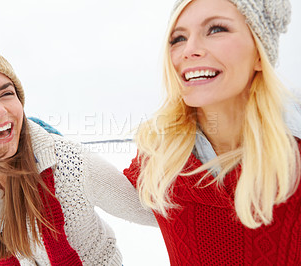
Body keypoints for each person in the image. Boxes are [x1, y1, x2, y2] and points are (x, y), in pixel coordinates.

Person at [0, 39, 156, 265]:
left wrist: (165, 155)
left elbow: (154, 212)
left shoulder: (69, 163)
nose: (0, 110)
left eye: (6, 93)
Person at [123, 0, 301, 265]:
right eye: (178, 38)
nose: (189, 50)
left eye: (216, 29)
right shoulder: (158, 154)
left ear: (259, 54)